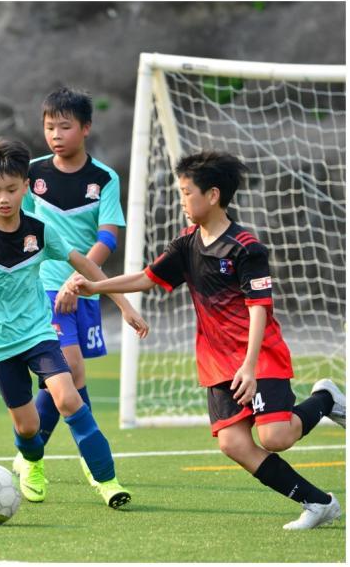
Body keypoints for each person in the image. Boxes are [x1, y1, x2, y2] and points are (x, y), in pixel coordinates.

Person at [68, 150, 345, 529]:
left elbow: (259, 309)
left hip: (258, 355)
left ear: (213, 195)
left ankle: (326, 398)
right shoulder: (186, 244)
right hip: (216, 361)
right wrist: (96, 286)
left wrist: (249, 366)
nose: (181, 200)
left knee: (276, 437)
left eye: (187, 192)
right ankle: (318, 503)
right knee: (233, 443)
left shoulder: (246, 247)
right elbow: (147, 277)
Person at [0, 137, 148, 508]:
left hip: (38, 333)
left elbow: (86, 264)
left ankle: (108, 482)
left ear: (26, 187)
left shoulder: (40, 230)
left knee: (69, 398)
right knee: (28, 426)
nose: (4, 198)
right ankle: (31, 462)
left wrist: (123, 304)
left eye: (12, 189)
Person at [19, 86, 128, 491]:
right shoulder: (31, 174)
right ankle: (92, 460)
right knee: (71, 368)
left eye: (64, 126)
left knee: (62, 380)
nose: (55, 135)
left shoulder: (104, 178)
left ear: (86, 128)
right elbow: (19, 229)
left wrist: (81, 278)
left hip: (85, 288)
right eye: (49, 127)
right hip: (43, 287)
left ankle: (28, 455)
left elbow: (108, 237)